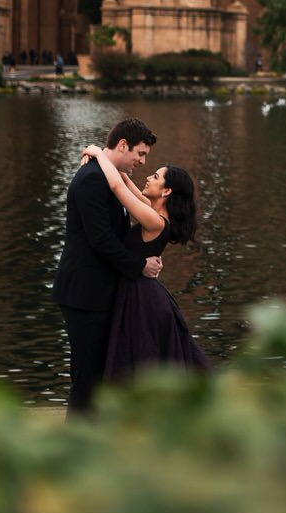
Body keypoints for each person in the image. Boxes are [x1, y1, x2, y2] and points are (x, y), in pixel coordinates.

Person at [51, 117, 163, 415]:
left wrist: (100, 153)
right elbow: (100, 239)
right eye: (140, 153)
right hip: (84, 294)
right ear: (123, 145)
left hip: (98, 292)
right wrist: (139, 265)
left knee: (99, 372)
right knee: (86, 375)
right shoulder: (92, 179)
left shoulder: (106, 175)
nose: (141, 161)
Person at [81, 142, 210, 380]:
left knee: (140, 355)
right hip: (142, 291)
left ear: (167, 191)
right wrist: (111, 159)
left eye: (156, 176)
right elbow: (127, 183)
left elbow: (118, 187)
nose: (148, 177)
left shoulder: (154, 220)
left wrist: (99, 154)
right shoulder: (153, 212)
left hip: (142, 296)